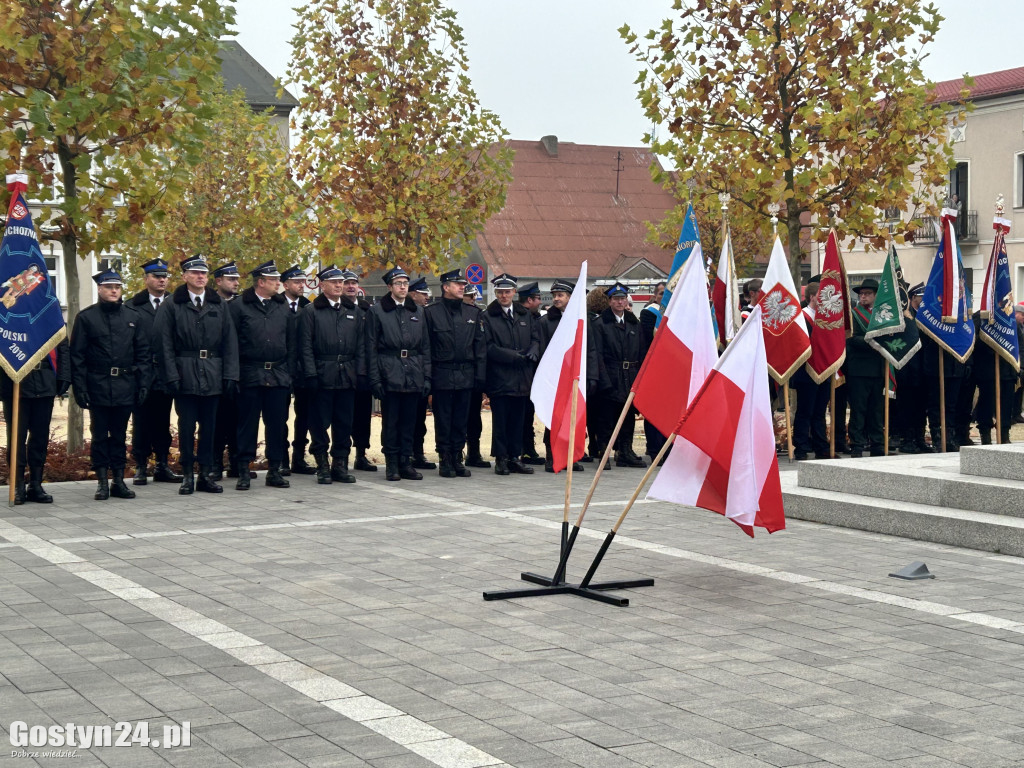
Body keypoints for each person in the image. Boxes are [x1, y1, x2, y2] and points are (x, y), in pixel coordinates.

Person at [155, 254, 239, 494]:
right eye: (195, 273)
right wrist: (170, 375)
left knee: (210, 428)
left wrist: (231, 375)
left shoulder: (218, 304)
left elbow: (229, 342)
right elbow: (163, 344)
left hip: (213, 373)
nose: (200, 277)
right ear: (184, 277)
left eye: (203, 273)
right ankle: (188, 475)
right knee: (186, 427)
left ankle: (205, 474)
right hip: (185, 374)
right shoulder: (172, 304)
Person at [70, 269, 151, 500]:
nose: (114, 290)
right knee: (98, 435)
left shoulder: (133, 317)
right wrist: (80, 387)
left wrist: (143, 382)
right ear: (99, 289)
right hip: (98, 385)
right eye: (108, 287)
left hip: (126, 384)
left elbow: (143, 353)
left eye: (117, 287)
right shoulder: (86, 318)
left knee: (119, 434)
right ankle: (102, 482)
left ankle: (118, 480)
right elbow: (78, 356)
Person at [229, 261, 295, 489]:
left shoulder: (282, 306)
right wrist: (234, 375)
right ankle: (243, 470)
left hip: (277, 373)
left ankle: (275, 469)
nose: (278, 283)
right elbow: (231, 343)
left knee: (276, 423)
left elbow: (291, 341)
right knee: (247, 424)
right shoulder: (239, 307)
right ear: (261, 282)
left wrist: (289, 372)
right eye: (274, 280)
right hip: (250, 373)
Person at [300, 266, 364, 484]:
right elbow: (305, 346)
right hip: (322, 373)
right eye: (334, 282)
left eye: (342, 282)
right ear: (322, 285)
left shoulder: (353, 311)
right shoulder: (311, 311)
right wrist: (310, 374)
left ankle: (340, 465)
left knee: (344, 422)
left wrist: (359, 372)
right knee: (319, 423)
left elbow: (360, 346)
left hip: (347, 374)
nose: (340, 285)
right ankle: (322, 466)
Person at [366, 266, 431, 481]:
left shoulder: (418, 311)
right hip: (389, 370)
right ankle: (392, 463)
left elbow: (425, 347)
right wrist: (375, 378)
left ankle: (406, 462)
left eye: (405, 283)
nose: (403, 287)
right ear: (389, 287)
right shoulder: (377, 311)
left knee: (409, 421)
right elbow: (371, 347)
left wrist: (426, 376)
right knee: (391, 421)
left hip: (413, 372)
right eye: (398, 284)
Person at [423, 268, 485, 478]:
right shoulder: (431, 313)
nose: (462, 287)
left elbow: (479, 349)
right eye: (457, 284)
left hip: (465, 374)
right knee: (444, 419)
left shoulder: (472, 313)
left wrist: (480, 377)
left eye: (463, 284)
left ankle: (458, 456)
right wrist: (428, 378)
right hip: (442, 374)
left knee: (461, 419)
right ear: (445, 287)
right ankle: (445, 458)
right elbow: (427, 348)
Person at [128, 257, 181, 486]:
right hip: (142, 371)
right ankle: (140, 465)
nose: (162, 280)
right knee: (141, 421)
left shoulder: (176, 303)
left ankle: (162, 463)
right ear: (146, 279)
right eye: (156, 277)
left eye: (164, 277)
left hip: (167, 371)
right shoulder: (132, 305)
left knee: (163, 420)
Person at [483, 273, 541, 475]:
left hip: (522, 378)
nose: (503, 295)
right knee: (501, 421)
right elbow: (488, 347)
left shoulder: (524, 314)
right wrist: (511, 356)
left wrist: (534, 348)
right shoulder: (488, 316)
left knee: (519, 420)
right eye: (500, 292)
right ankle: (501, 458)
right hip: (501, 376)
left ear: (514, 293)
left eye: (507, 292)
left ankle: (515, 457)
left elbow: (536, 337)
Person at [2, 340, 69, 504]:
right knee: (17, 437)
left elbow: (63, 349)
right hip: (16, 385)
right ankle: (17, 485)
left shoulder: (48, 317)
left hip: (45, 382)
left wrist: (64, 377)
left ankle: (35, 485)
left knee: (40, 437)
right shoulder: (10, 317)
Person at [537, 278, 593, 473]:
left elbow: (591, 350)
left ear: (570, 298)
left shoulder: (581, 321)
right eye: (554, 296)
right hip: (555, 377)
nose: (556, 299)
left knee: (573, 416)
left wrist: (592, 376)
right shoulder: (545, 321)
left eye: (560, 295)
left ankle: (570, 456)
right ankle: (551, 456)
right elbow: (543, 349)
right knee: (554, 418)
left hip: (575, 376)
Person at [592, 282, 647, 467]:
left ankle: (625, 451)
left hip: (630, 375)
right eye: (616, 299)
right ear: (609, 301)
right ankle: (604, 452)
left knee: (628, 416)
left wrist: (639, 379)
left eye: (623, 299)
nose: (620, 302)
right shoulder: (600, 323)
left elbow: (640, 352)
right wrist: (603, 380)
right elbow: (597, 354)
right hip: (610, 374)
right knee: (607, 417)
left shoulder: (633, 322)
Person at [209, 260, 244, 480]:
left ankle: (235, 461)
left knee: (237, 419)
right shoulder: (210, 303)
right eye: (231, 279)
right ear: (218, 281)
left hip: (239, 370)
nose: (236, 283)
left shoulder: (241, 304)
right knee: (215, 421)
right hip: (214, 369)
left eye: (237, 279)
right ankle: (214, 463)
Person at [791, 276, 831, 460]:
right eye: (821, 295)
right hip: (806, 371)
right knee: (805, 410)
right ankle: (801, 446)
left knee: (820, 411)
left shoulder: (827, 317)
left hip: (823, 369)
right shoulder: (801, 316)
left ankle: (821, 445)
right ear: (812, 296)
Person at [343, 271, 378, 472]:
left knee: (363, 416)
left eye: (354, 283)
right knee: (342, 417)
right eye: (346, 282)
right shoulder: (336, 309)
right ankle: (341, 456)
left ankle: (361, 454)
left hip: (363, 371)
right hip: (343, 371)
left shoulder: (367, 310)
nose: (350, 286)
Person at [280, 264, 314, 475]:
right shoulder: (276, 305)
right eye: (297, 282)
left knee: (305, 415)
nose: (301, 285)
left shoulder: (308, 307)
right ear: (285, 285)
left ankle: (299, 457)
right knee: (279, 416)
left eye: (303, 281)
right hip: (281, 368)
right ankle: (281, 458)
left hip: (303, 369)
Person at [845, 278, 885, 457]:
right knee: (858, 410)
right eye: (861, 294)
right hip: (859, 370)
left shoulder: (882, 315)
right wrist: (873, 340)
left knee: (876, 410)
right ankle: (857, 444)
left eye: (867, 294)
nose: (863, 297)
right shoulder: (854, 315)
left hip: (878, 370)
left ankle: (877, 443)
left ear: (876, 296)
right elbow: (852, 338)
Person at [895, 283, 931, 453]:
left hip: (924, 370)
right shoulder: (905, 317)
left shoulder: (926, 316)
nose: (924, 299)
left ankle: (919, 438)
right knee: (907, 407)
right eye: (921, 296)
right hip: (908, 370)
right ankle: (907, 439)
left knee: (921, 407)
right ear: (913, 297)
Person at [407, 277, 436, 470]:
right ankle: (405, 454)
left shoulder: (423, 314)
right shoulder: (405, 312)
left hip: (419, 371)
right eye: (423, 294)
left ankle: (417, 453)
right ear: (413, 294)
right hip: (403, 371)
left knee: (419, 418)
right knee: (405, 419)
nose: (426, 297)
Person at [517, 281, 545, 466]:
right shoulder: (523, 317)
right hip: (522, 372)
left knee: (529, 413)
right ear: (529, 300)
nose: (541, 302)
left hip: (534, 374)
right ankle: (523, 449)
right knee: (522, 414)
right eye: (538, 298)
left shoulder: (535, 317)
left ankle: (528, 448)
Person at [462, 283, 490, 468]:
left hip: (474, 373)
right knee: (458, 417)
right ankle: (455, 452)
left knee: (474, 417)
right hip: (458, 372)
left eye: (474, 297)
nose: (473, 300)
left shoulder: (479, 315)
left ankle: (474, 451)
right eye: (469, 297)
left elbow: (483, 347)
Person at [639, 281, 667, 461]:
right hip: (655, 367)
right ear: (655, 296)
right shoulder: (650, 314)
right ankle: (655, 449)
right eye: (661, 293)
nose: (664, 297)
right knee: (654, 411)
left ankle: (668, 448)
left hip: (673, 371)